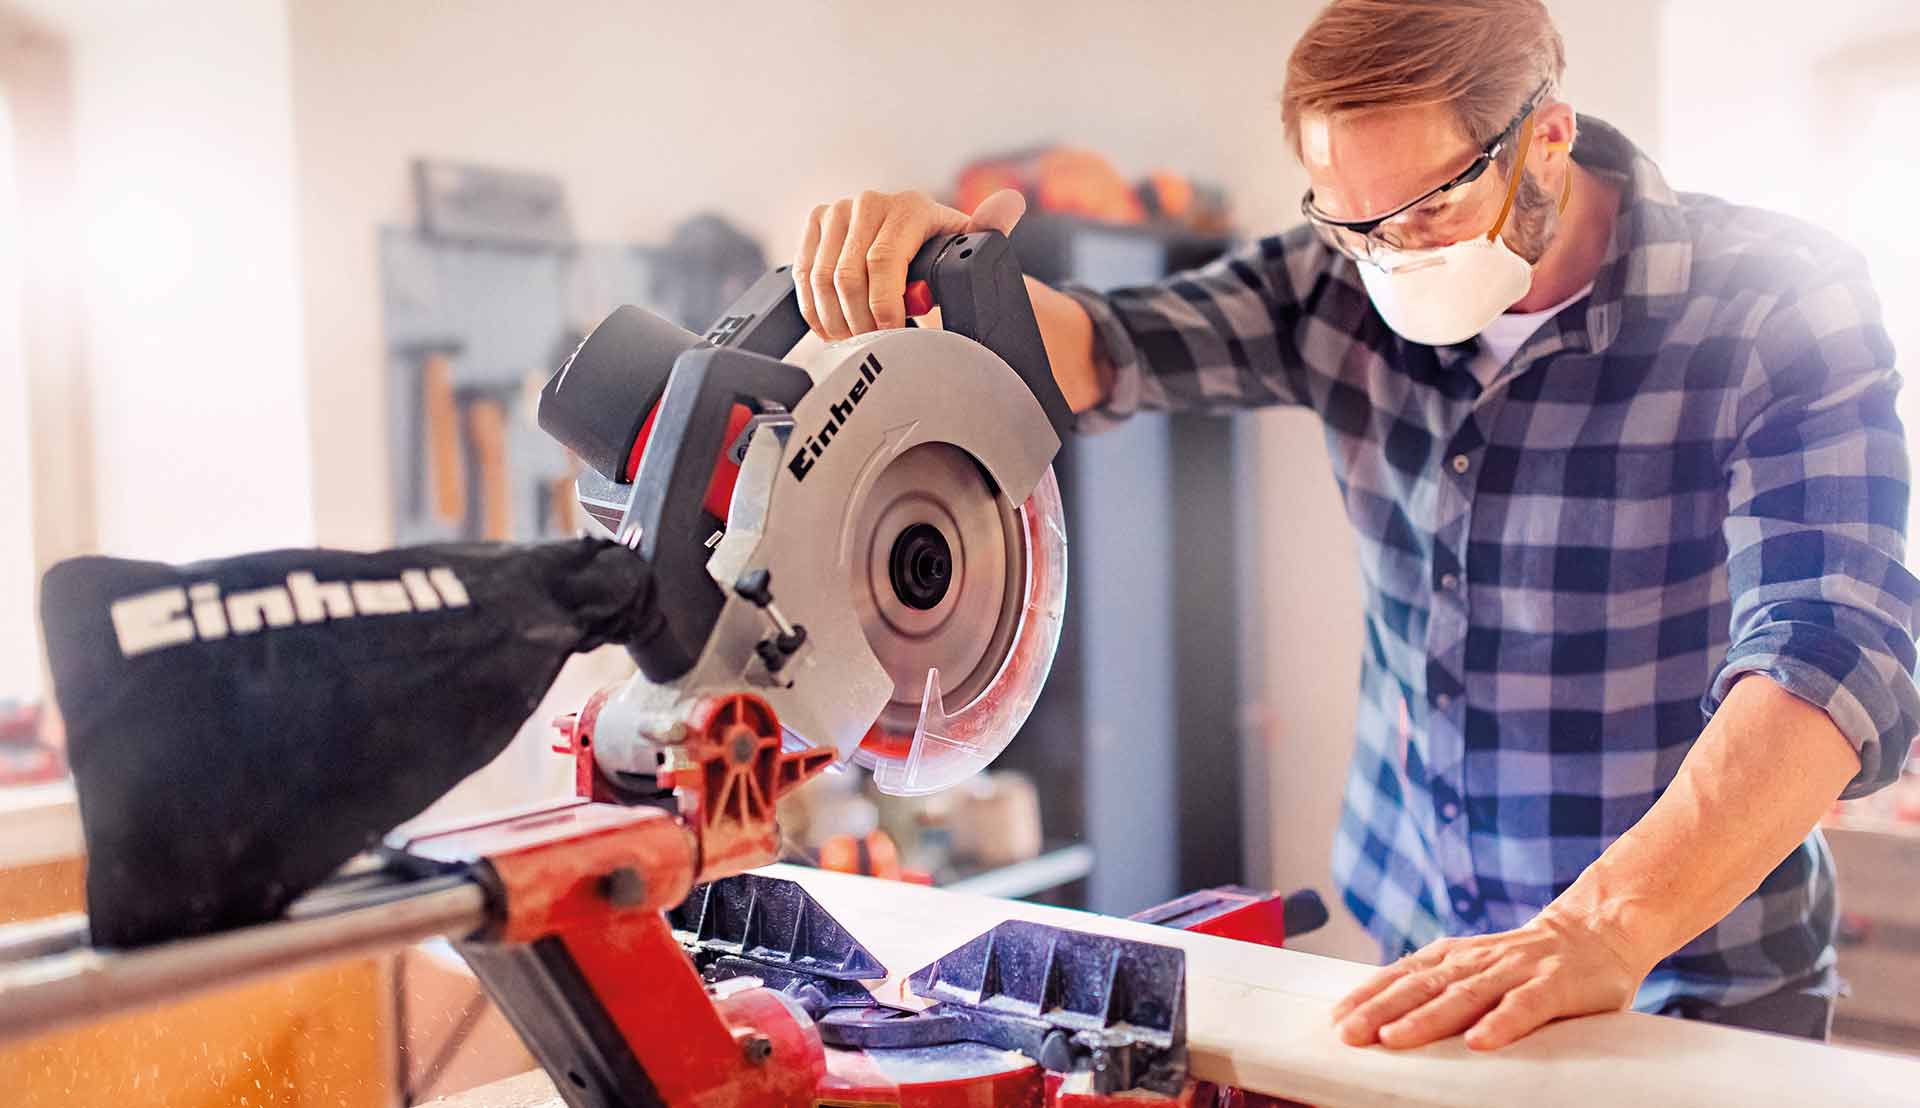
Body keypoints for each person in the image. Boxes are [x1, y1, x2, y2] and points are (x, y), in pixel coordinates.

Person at [789, 0, 1918, 1051]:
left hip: (1691, 970)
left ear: (1548, 139)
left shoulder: (1778, 298)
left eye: (1432, 207)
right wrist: (936, 270)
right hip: (1423, 944)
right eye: (1354, 220)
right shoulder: (1329, 283)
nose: (1398, 253)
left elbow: (1835, 648)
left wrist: (1605, 925)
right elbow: (1103, 347)